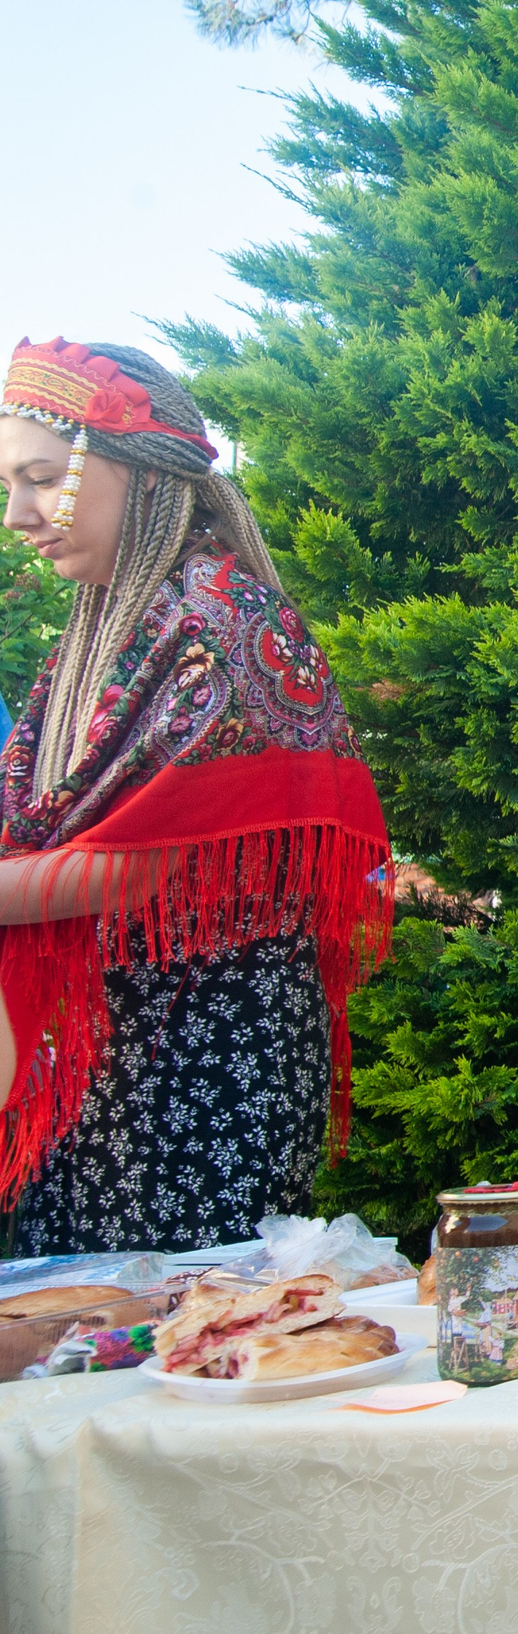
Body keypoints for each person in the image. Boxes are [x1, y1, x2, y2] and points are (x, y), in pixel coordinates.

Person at [0, 339, 391, 1253]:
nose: (18, 514)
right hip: (105, 1045)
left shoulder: (218, 614)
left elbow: (139, 865)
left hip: (200, 1051)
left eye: (43, 479)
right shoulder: (114, 620)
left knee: (175, 1329)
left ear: (137, 472)